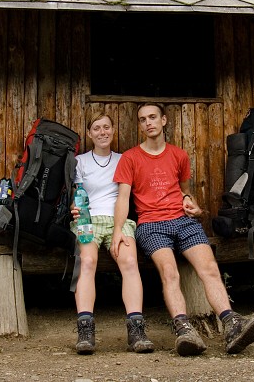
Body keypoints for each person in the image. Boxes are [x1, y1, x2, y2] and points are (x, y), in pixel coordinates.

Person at [112, 103, 254, 356]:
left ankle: (232, 325)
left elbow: (184, 190)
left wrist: (191, 203)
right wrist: (118, 230)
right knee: (170, 272)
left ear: (163, 120)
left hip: (184, 221)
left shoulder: (178, 155)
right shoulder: (130, 158)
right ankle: (184, 331)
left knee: (210, 268)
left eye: (152, 117)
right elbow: (122, 198)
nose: (148, 123)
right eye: (142, 119)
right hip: (151, 225)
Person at [71, 112, 154, 355]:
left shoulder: (124, 159)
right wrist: (75, 208)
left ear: (113, 130)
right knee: (87, 261)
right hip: (88, 220)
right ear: (89, 133)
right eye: (96, 128)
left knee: (129, 262)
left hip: (119, 220)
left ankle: (136, 330)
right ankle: (85, 331)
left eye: (106, 127)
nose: (102, 132)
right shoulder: (80, 162)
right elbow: (77, 195)